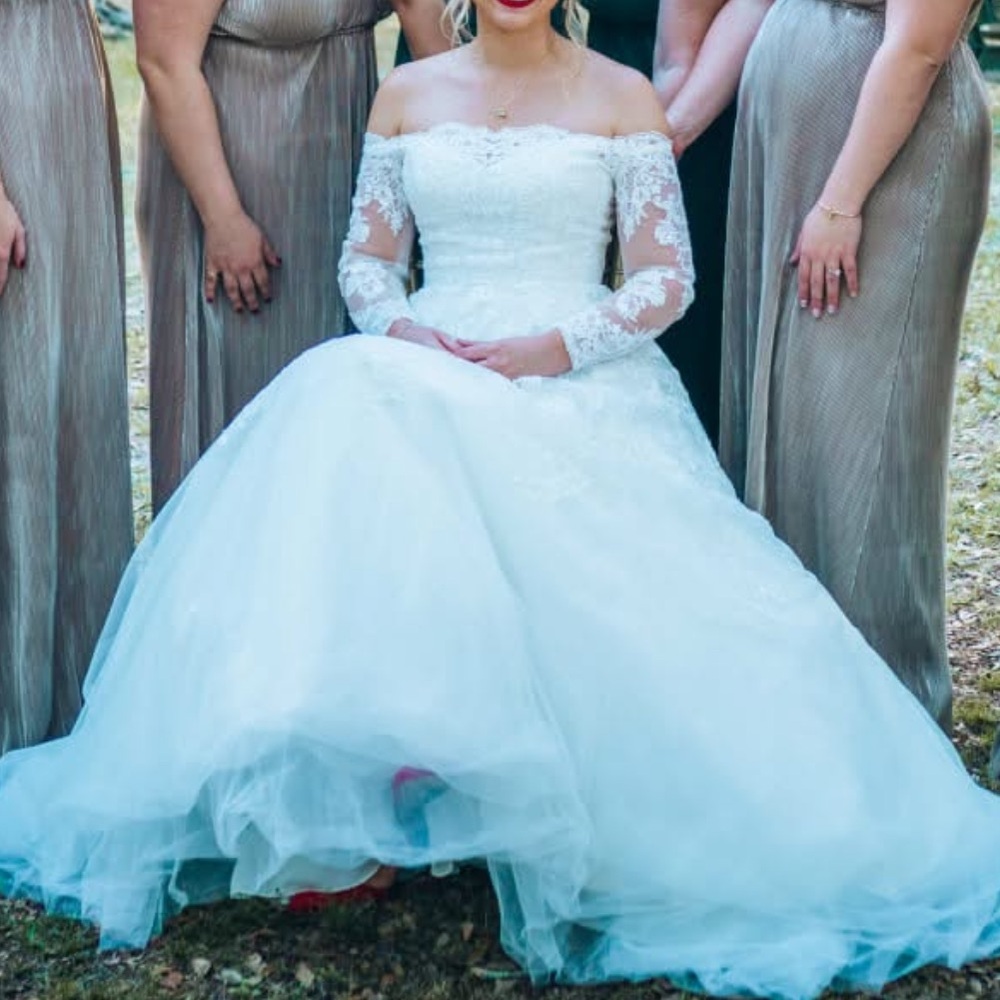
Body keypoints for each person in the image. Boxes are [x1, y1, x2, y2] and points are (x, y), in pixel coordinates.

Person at [3, 2, 1000, 998]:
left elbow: (665, 280)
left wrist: (554, 348)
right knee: (344, 430)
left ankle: (562, 799)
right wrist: (404, 332)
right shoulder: (407, 91)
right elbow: (367, 262)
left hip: (570, 368)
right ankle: (369, 800)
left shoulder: (623, 96)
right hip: (429, 355)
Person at [720, 0, 991, 731]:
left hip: (878, 162)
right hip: (802, 147)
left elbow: (919, 46)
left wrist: (841, 203)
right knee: (795, 421)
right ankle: (794, 696)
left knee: (860, 431)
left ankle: (883, 712)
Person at [135, 0, 450, 512]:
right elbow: (164, 63)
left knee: (343, 395)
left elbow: (434, 40)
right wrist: (224, 217)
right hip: (232, 172)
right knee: (250, 400)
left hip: (343, 164)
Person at [0, 0, 134, 756]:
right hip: (14, 99)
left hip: (67, 82)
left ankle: (66, 693)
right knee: (19, 395)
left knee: (72, 393)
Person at [580, 0, 771, 447]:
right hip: (611, 81)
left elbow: (679, 58)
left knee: (679, 326)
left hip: (686, 109)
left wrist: (651, 150)